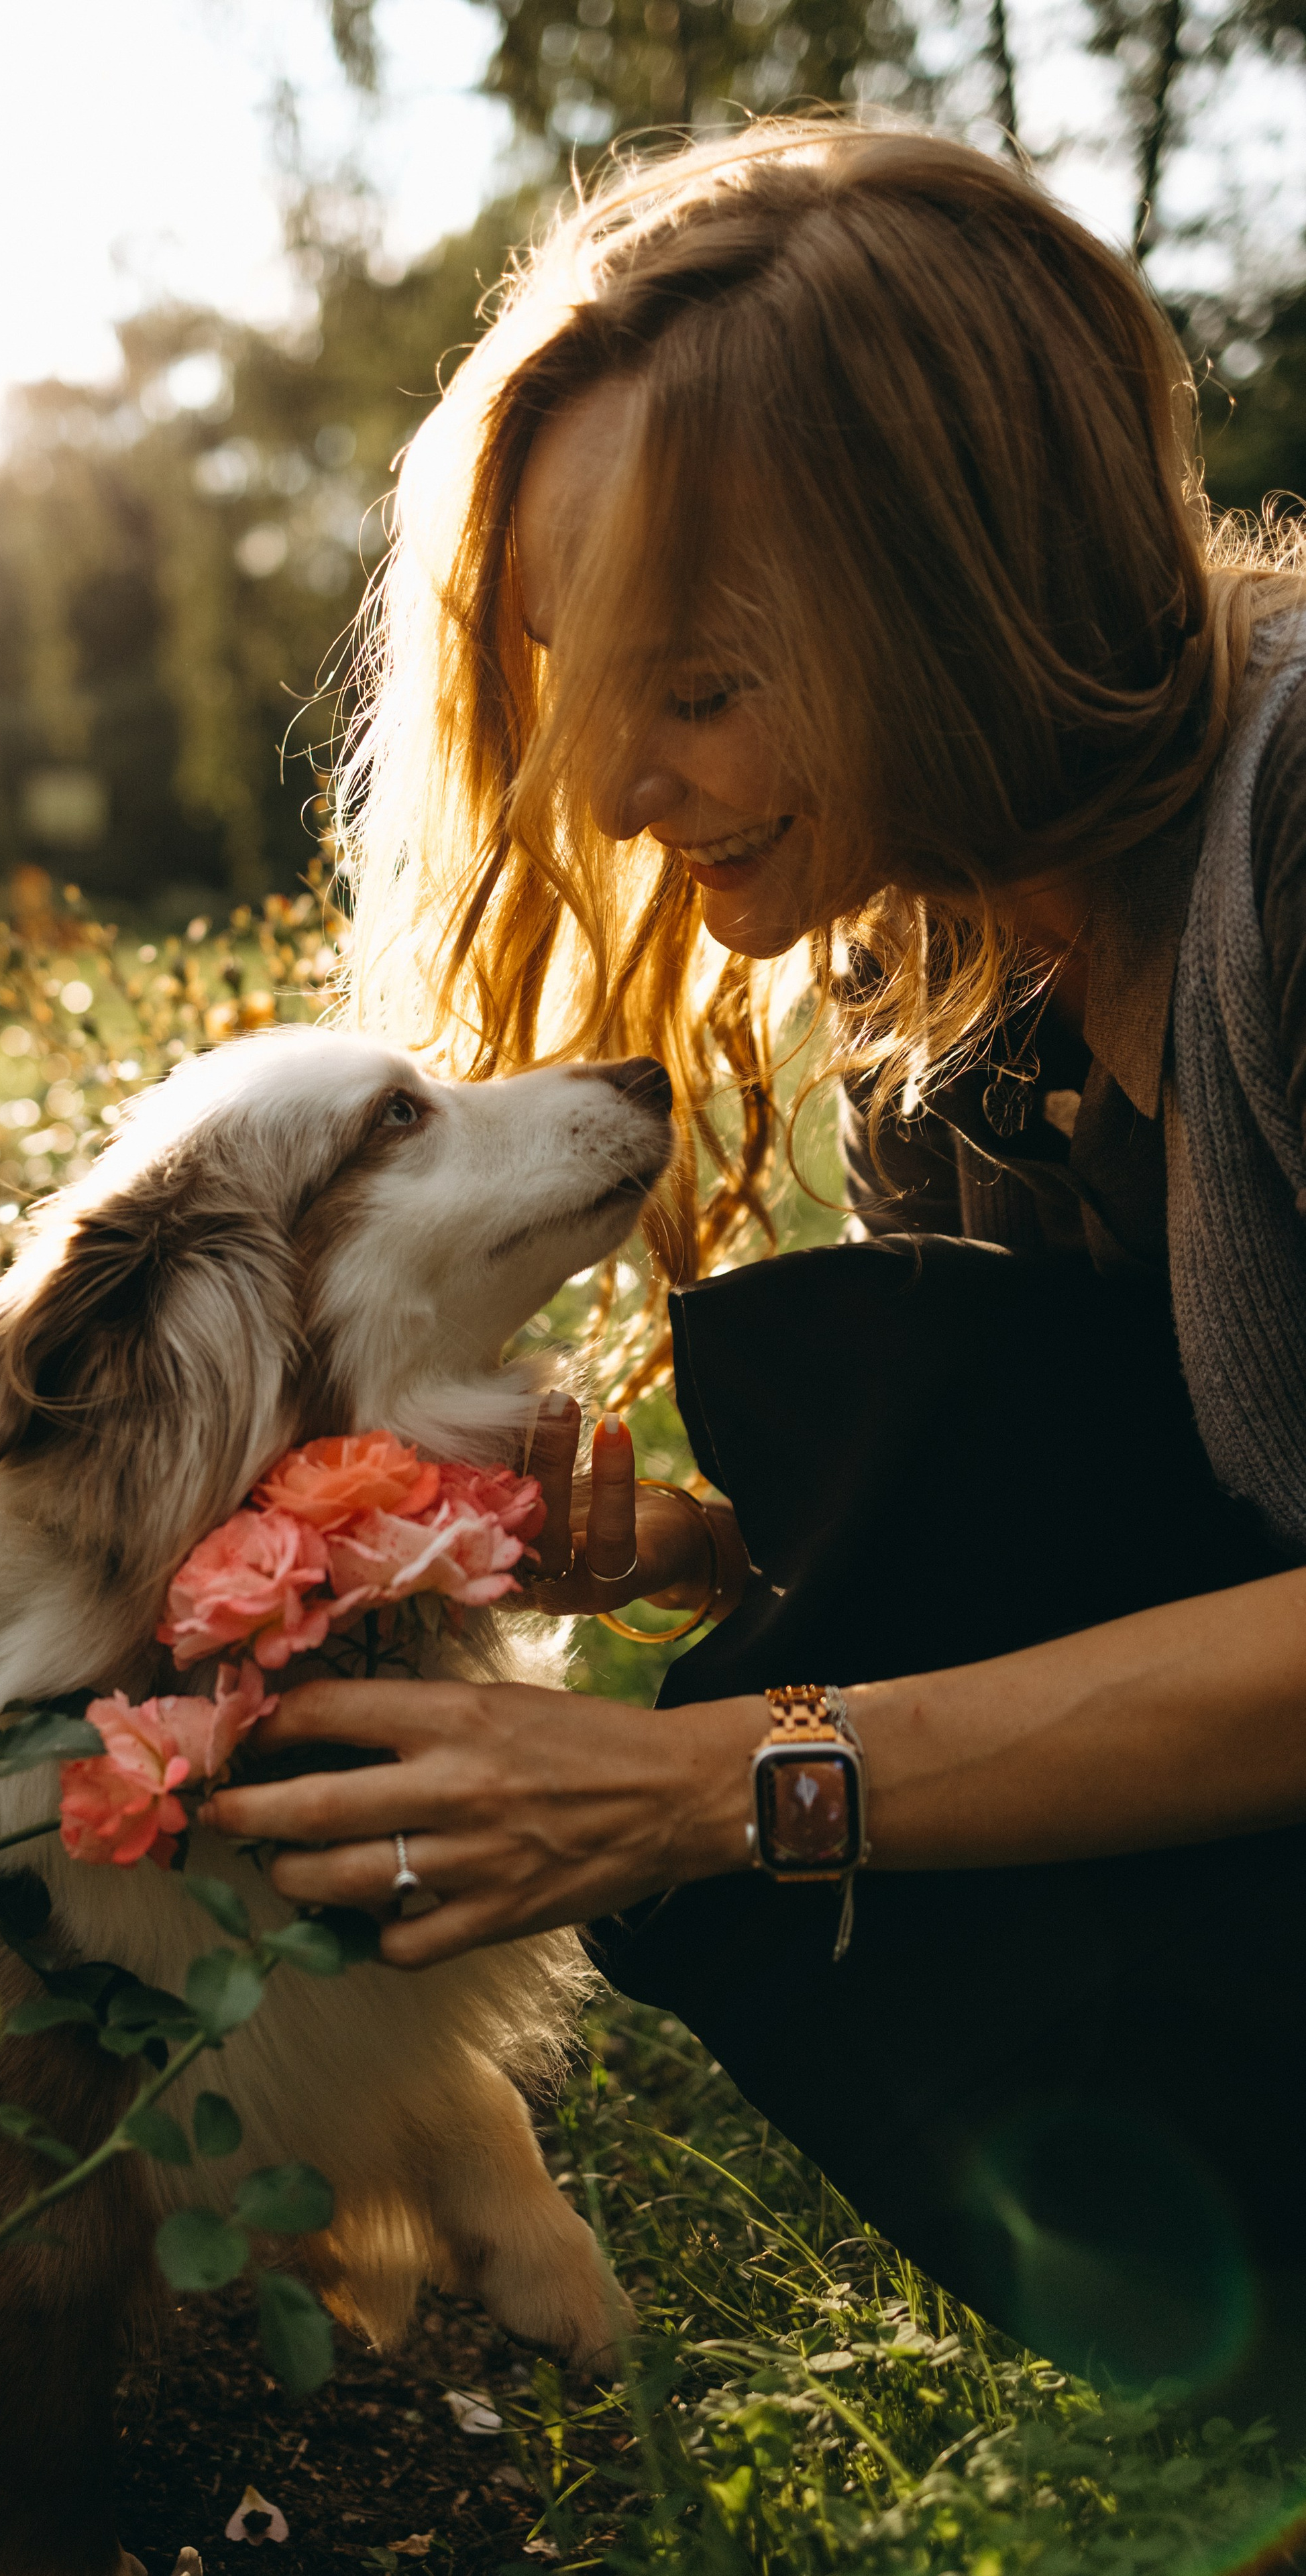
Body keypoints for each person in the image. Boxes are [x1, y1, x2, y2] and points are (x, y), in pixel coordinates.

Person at [202, 120, 1306, 2419]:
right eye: (572, 685)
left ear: (972, 585)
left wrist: (722, 1782)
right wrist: (765, 1561)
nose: (611, 787)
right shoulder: (966, 988)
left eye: (696, 687)